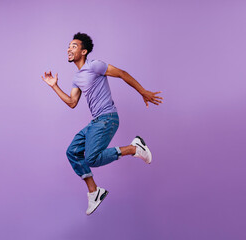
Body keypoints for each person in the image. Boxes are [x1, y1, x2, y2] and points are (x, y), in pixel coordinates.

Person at [41, 32, 163, 215]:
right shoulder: (77, 77)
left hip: (108, 118)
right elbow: (72, 103)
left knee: (91, 158)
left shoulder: (94, 65)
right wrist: (54, 86)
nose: (69, 49)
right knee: (73, 152)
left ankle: (133, 148)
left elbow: (122, 73)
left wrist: (143, 91)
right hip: (96, 121)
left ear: (84, 51)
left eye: (73, 46)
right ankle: (94, 192)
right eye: (69, 46)